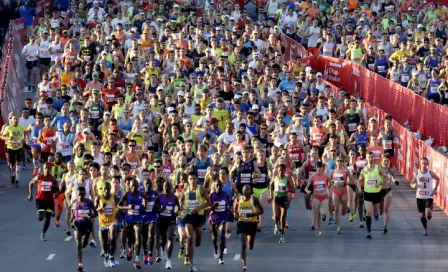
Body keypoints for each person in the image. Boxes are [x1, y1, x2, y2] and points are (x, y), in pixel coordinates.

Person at [180, 172, 211, 272]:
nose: (192, 181)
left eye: (194, 179)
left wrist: (199, 208)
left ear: (197, 179)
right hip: (188, 217)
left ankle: (193, 244)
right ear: (188, 180)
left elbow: (209, 202)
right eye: (190, 179)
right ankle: (191, 264)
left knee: (197, 243)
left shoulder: (201, 189)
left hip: (199, 217)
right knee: (189, 237)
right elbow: (181, 201)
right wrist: (181, 209)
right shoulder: (185, 190)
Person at [358, 152, 390, 239]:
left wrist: (379, 183)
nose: (370, 159)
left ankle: (376, 214)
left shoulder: (378, 168)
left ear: (374, 158)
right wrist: (359, 188)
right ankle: (369, 232)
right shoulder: (364, 170)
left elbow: (386, 178)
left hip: (377, 193)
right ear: (366, 158)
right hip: (367, 193)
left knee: (375, 211)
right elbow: (359, 180)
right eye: (369, 157)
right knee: (368, 212)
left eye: (372, 157)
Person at [234, 185, 264, 272]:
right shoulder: (238, 199)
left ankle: (250, 244)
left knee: (250, 246)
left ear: (250, 191)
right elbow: (235, 210)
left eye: (247, 190)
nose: (245, 191)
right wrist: (236, 215)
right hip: (242, 223)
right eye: (244, 189)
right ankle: (244, 267)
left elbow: (262, 211)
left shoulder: (254, 199)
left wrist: (252, 215)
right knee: (243, 244)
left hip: (252, 224)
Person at [28, 162, 59, 241]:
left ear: (51, 169)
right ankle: (41, 213)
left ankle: (43, 234)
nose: (47, 170)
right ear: (43, 169)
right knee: (40, 218)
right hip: (40, 200)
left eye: (49, 168)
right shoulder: (39, 177)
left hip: (49, 201)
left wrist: (56, 193)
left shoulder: (53, 179)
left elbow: (57, 189)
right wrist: (30, 194)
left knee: (48, 218)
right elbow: (31, 183)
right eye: (45, 168)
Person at [118, 178, 144, 269]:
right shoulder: (126, 194)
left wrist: (144, 206)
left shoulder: (141, 194)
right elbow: (119, 205)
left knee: (138, 237)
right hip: (129, 219)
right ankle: (130, 249)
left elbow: (146, 202)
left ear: (138, 186)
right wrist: (127, 207)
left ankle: (137, 259)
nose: (134, 187)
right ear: (130, 186)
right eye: (132, 186)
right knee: (130, 238)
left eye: (136, 186)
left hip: (138, 219)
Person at [153, 180, 180, 269]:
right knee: (162, 239)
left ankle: (168, 261)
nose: (167, 188)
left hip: (170, 220)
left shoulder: (175, 198)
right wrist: (160, 210)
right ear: (163, 187)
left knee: (170, 238)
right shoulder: (158, 197)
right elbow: (153, 210)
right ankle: (161, 250)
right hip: (161, 220)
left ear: (171, 188)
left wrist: (176, 212)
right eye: (165, 186)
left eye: (168, 186)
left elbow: (178, 208)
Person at [411, 157, 440, 236]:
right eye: (423, 163)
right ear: (420, 164)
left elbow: (438, 179)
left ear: (428, 164)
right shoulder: (417, 173)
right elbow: (412, 181)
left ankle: (429, 211)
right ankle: (425, 228)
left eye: (425, 164)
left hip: (428, 196)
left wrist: (435, 188)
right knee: (422, 215)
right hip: (419, 197)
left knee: (427, 213)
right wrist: (413, 184)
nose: (424, 165)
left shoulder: (430, 173)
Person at [72, 186, 97, 272]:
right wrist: (72, 219)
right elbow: (73, 213)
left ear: (85, 194)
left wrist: (89, 217)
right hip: (78, 225)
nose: (80, 196)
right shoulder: (75, 203)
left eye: (82, 195)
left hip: (87, 225)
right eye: (79, 195)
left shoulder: (89, 202)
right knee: (78, 243)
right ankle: (80, 264)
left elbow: (96, 212)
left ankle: (85, 241)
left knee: (84, 243)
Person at [95, 181, 120, 267]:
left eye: (108, 189)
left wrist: (118, 210)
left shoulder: (114, 197)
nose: (107, 191)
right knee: (105, 241)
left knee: (112, 237)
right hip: (103, 222)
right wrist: (101, 208)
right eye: (105, 189)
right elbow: (95, 209)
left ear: (110, 189)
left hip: (112, 221)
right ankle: (106, 255)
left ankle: (112, 257)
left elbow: (120, 204)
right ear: (102, 190)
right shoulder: (99, 197)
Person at [269, 163, 294, 242]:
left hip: (284, 198)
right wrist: (271, 194)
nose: (281, 172)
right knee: (276, 216)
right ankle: (276, 225)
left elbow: (293, 190)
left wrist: (287, 189)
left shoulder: (287, 179)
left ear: (285, 170)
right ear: (277, 170)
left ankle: (282, 233)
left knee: (283, 217)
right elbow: (271, 185)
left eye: (282, 171)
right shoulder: (275, 177)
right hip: (276, 198)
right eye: (279, 170)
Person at [209, 180, 231, 264]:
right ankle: (215, 249)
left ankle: (221, 257)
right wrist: (213, 206)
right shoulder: (212, 195)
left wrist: (229, 212)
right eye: (217, 186)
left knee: (222, 235)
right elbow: (209, 207)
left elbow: (229, 205)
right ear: (215, 187)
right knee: (214, 237)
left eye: (220, 185)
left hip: (223, 217)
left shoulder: (226, 195)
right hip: (213, 218)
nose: (219, 187)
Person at [305, 161, 329, 237]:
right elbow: (306, 187)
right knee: (317, 214)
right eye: (317, 168)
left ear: (322, 168)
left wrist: (330, 191)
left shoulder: (326, 176)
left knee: (324, 213)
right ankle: (320, 230)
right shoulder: (312, 177)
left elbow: (331, 185)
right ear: (316, 168)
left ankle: (324, 216)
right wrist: (307, 190)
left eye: (320, 168)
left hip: (324, 196)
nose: (319, 169)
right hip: (316, 197)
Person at [2, 113, 26, 186]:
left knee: (17, 163)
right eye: (14, 119)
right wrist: (8, 138)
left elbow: (24, 132)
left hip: (18, 147)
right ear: (11, 120)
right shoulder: (8, 128)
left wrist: (24, 138)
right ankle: (13, 175)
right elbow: (2, 136)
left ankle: (17, 179)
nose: (16, 120)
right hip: (10, 148)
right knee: (11, 164)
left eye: (17, 119)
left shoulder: (20, 127)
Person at [140, 171, 159, 266]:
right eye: (146, 184)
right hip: (143, 217)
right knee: (144, 237)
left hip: (153, 216)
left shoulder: (155, 194)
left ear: (152, 185)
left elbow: (159, 204)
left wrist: (157, 207)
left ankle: (150, 253)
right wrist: (144, 203)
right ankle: (145, 251)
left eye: (149, 184)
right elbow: (139, 209)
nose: (148, 186)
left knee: (151, 234)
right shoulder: (140, 194)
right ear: (143, 185)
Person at [379, 155, 398, 234]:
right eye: (385, 161)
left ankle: (385, 226)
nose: (386, 163)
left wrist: (395, 181)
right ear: (381, 163)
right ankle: (380, 212)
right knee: (381, 208)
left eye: (387, 161)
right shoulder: (379, 170)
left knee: (386, 209)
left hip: (388, 190)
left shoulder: (391, 170)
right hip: (379, 190)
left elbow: (393, 177)